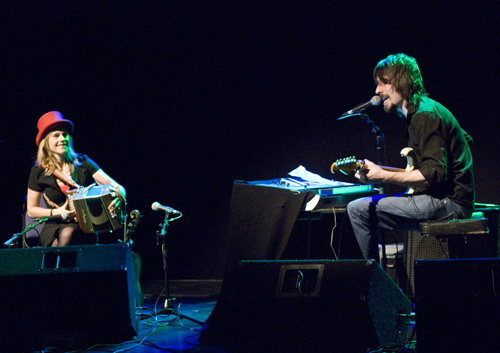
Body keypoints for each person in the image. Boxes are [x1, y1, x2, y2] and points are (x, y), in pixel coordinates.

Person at [346, 53, 475, 260]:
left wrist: (384, 175)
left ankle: (373, 286)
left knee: (358, 209)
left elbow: (434, 174)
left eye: (384, 83)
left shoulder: (425, 115)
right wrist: (379, 172)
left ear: (402, 82)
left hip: (449, 204)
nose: (377, 90)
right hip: (444, 199)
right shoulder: (422, 112)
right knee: (360, 208)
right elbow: (464, 142)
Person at [26, 111, 126, 247]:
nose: (62, 139)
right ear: (46, 142)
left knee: (68, 234)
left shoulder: (83, 162)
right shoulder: (38, 171)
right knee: (58, 244)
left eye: (65, 134)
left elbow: (119, 188)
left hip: (84, 225)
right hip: (53, 226)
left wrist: (118, 197)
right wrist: (59, 212)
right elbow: (31, 209)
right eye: (56, 135)